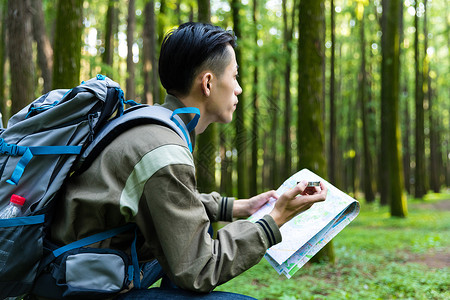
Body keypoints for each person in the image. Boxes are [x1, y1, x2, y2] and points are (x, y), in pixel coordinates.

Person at [38, 22, 327, 299]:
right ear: (208, 83)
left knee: (201, 229)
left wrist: (238, 207)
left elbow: (168, 202)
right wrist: (275, 219)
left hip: (77, 268)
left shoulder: (150, 123)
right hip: (81, 288)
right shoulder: (165, 150)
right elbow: (200, 269)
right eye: (234, 76)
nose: (238, 88)